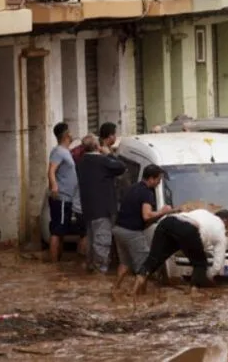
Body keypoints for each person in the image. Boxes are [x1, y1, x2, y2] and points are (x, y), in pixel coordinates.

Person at [133, 209, 228, 294]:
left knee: (155, 257)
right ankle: (194, 292)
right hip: (188, 229)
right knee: (200, 264)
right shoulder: (221, 231)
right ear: (226, 221)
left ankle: (136, 292)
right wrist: (209, 276)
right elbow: (218, 263)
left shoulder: (204, 212)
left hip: (167, 221)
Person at [113, 164, 171, 288]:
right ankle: (138, 295)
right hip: (132, 232)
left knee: (124, 263)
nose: (159, 183)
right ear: (151, 179)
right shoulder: (147, 193)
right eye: (158, 180)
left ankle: (115, 288)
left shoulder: (132, 188)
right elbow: (147, 215)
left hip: (118, 230)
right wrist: (163, 211)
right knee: (144, 266)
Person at [76, 133, 126, 274]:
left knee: (92, 242)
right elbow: (121, 167)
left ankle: (92, 268)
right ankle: (100, 273)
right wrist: (109, 154)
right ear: (97, 146)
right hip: (103, 210)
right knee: (102, 242)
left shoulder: (81, 163)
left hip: (88, 209)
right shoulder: (102, 161)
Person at [48, 122, 84, 263]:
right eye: (69, 131)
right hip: (61, 197)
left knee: (61, 231)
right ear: (66, 135)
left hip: (68, 198)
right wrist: (54, 186)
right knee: (57, 231)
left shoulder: (65, 151)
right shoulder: (58, 151)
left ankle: (58, 263)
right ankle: (53, 266)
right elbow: (51, 170)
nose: (71, 133)